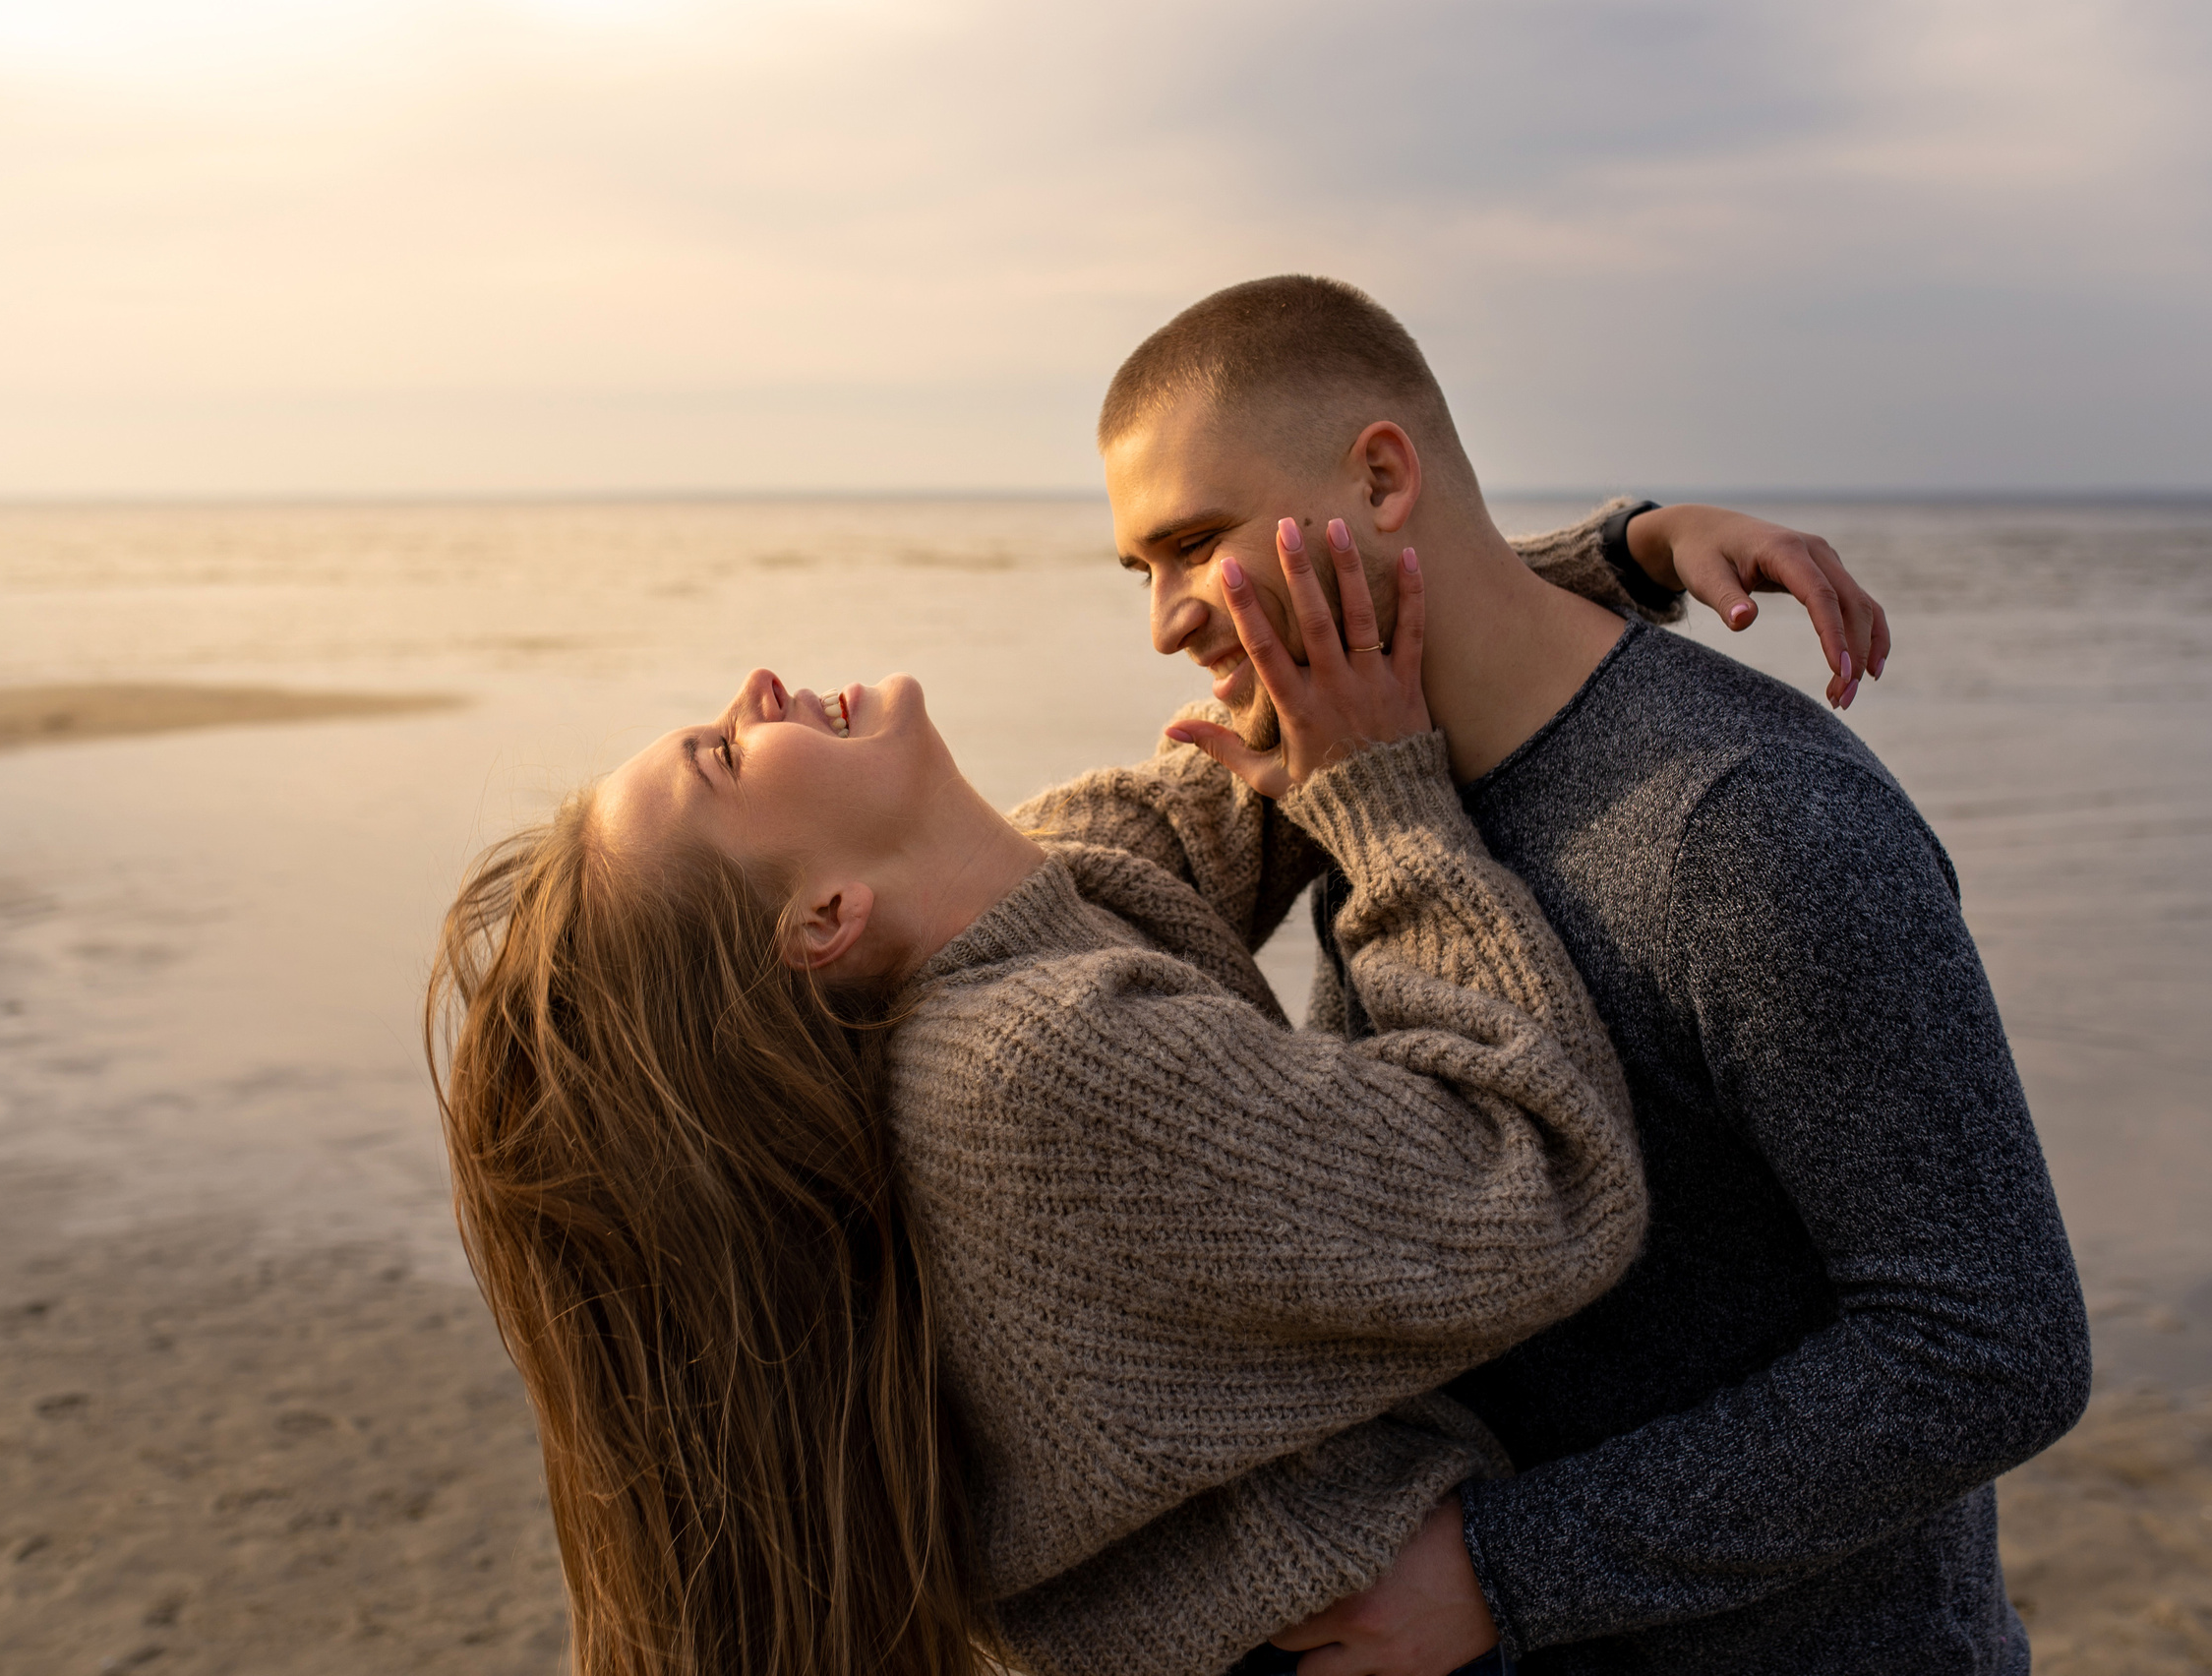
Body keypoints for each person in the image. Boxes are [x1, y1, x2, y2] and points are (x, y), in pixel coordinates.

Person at [426, 513, 1677, 1676]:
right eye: (723, 756)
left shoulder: (1009, 902)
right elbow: (1538, 1182)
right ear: (822, 917)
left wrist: (1616, 556)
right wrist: (1391, 808)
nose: (754, 688)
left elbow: (1267, 748)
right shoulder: (1031, 1072)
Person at [1097, 275, 2090, 1675]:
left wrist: (1506, 1572)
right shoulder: (1361, 764)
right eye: (1138, 571)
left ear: (1384, 478)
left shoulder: (1750, 824)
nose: (1165, 621)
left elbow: (1992, 1347)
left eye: (1192, 544)